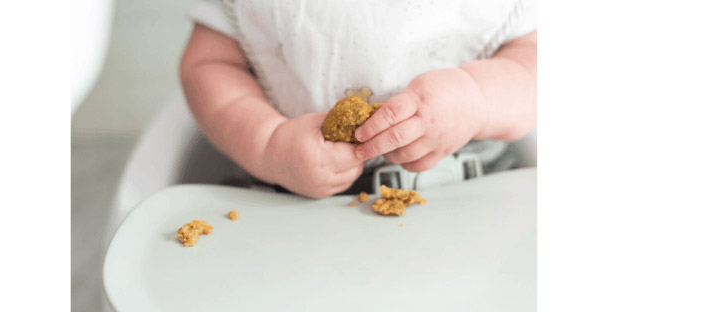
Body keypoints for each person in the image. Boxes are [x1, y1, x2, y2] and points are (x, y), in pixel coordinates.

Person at [180, 0, 537, 198]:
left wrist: (475, 96)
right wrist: (267, 144)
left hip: (466, 189)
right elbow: (210, 64)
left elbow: (534, 67)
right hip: (293, 196)